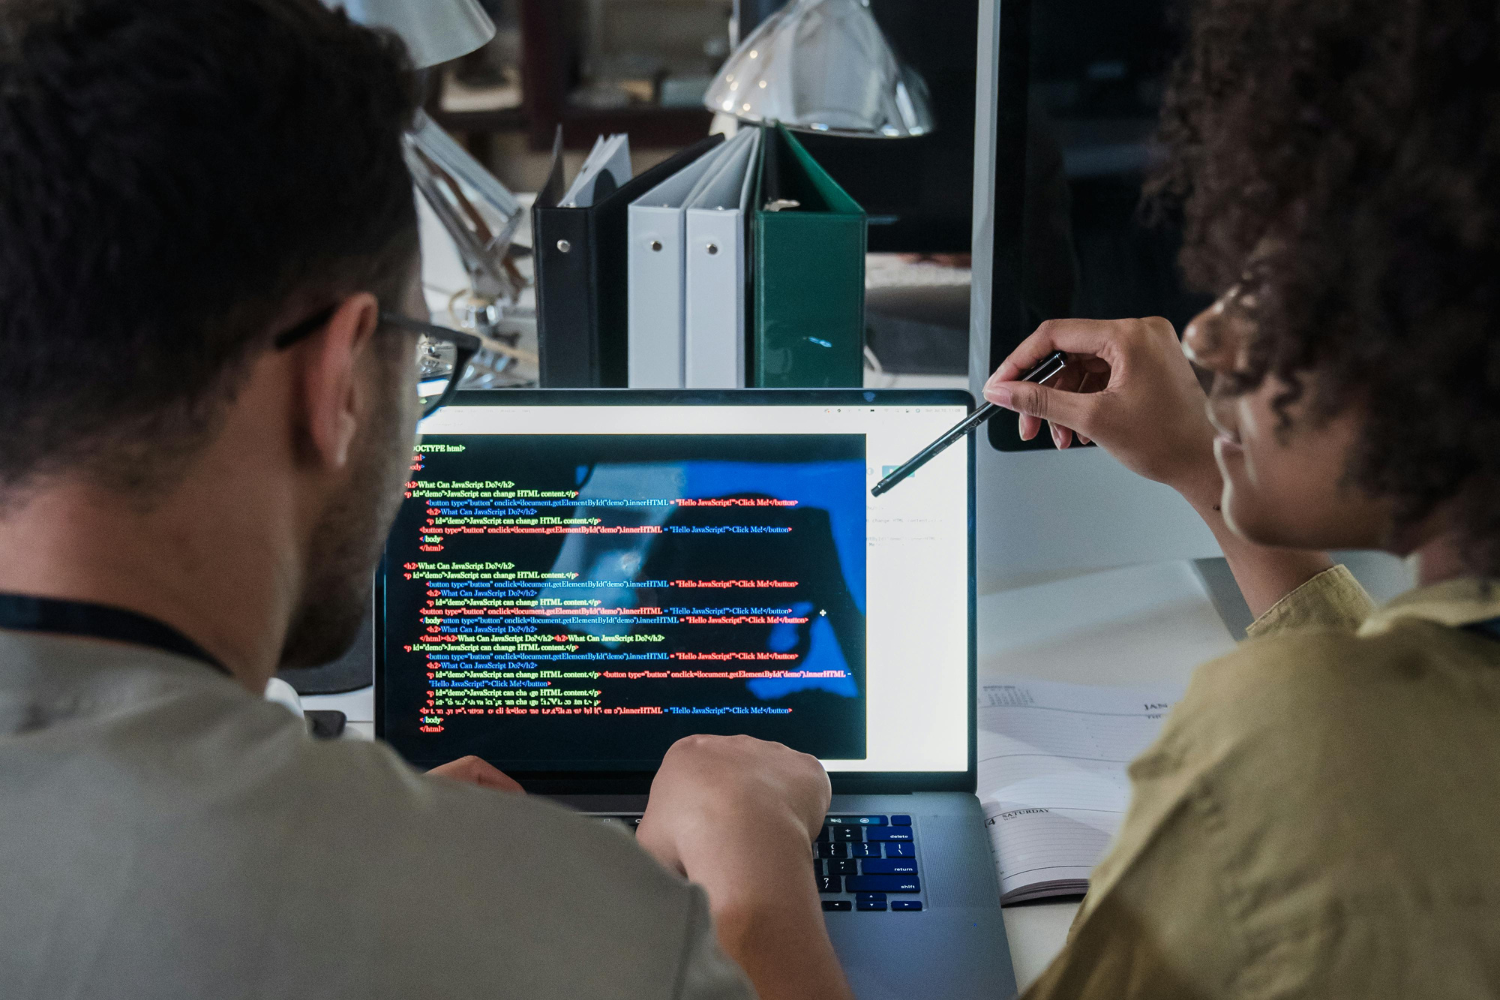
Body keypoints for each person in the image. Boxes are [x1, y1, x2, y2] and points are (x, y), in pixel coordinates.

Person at [0, 2, 851, 998]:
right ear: (340, 379)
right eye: (418, 346)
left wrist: (380, 845)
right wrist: (754, 878)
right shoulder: (599, 936)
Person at [981, 0, 1500, 995]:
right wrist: (1208, 471)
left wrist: (753, 888)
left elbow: (1347, 741)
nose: (1207, 341)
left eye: (1274, 287)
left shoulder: (1292, 741)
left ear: (1441, 322)